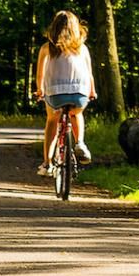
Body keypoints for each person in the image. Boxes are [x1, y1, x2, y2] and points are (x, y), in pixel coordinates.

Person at [32, 9, 95, 173]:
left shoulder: (47, 48)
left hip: (55, 95)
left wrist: (40, 90)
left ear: (53, 28)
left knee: (52, 120)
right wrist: (92, 92)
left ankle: (47, 163)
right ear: (76, 28)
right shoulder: (82, 48)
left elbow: (40, 75)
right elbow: (89, 74)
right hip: (80, 94)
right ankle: (80, 142)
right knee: (76, 114)